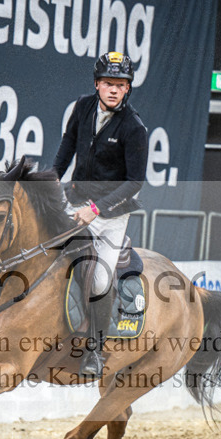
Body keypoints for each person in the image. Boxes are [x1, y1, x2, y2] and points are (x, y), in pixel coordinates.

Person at [53, 51, 149, 377]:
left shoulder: (134, 127)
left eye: (120, 85)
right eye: (108, 83)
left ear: (127, 89)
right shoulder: (83, 107)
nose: (113, 90)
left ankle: (95, 348)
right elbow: (67, 145)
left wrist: (97, 209)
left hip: (111, 215)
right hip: (76, 200)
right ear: (97, 84)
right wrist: (51, 179)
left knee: (99, 280)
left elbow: (135, 182)